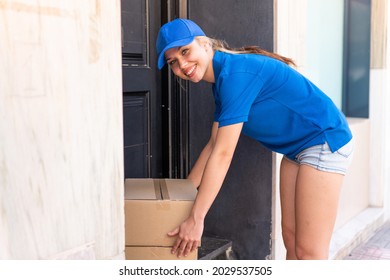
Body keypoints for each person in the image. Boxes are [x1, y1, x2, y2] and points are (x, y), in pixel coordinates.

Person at [156, 18, 354, 260]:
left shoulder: (236, 74)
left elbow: (223, 154)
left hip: (324, 141)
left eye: (185, 52)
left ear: (205, 45)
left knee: (309, 252)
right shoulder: (222, 80)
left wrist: (197, 218)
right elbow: (213, 145)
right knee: (291, 242)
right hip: (296, 150)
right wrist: (180, 198)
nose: (182, 65)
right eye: (173, 62)